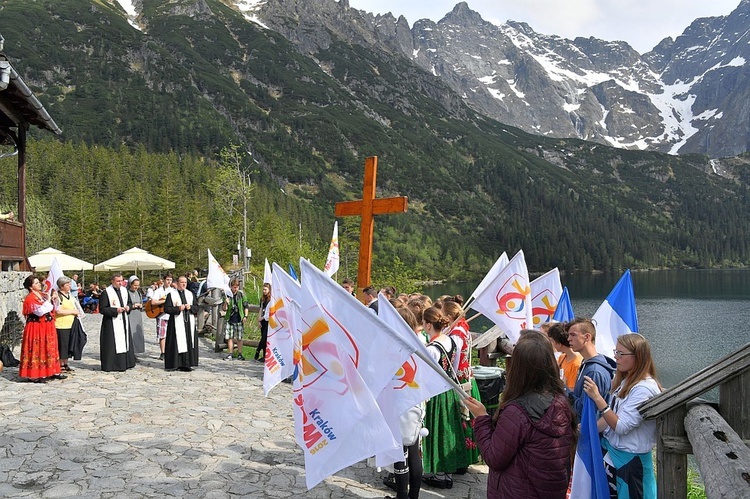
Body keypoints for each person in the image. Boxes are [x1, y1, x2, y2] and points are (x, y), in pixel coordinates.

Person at [465, 330, 576, 498]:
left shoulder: (517, 413)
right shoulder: (561, 402)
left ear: (518, 368)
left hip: (517, 490)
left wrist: (481, 418)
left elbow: (494, 458)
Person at [583, 333, 662, 499]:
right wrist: (587, 429)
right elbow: (612, 416)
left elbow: (620, 426)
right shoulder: (628, 381)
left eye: (621, 353)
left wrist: (598, 399)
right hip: (617, 458)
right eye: (615, 352)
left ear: (638, 357)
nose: (616, 357)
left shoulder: (643, 389)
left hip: (631, 463)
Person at [421, 306, 471, 490]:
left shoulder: (432, 348)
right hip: (448, 390)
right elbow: (454, 366)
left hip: (435, 393)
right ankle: (447, 470)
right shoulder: (451, 341)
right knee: (448, 429)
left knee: (436, 430)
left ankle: (439, 473)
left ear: (427, 325)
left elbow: (426, 375)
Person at [383, 306, 425, 499]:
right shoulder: (419, 345)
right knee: (414, 449)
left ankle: (402, 495)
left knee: (400, 453)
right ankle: (413, 495)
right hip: (416, 400)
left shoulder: (391, 346)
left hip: (397, 402)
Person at [442, 299, 480, 469]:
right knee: (464, 418)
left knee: (459, 418)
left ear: (449, 315)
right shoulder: (463, 328)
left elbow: (454, 358)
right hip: (466, 376)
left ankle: (460, 459)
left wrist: (450, 376)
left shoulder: (456, 333)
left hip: (459, 379)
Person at [566, 318, 616, 419]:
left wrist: (564, 391)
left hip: (588, 431)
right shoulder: (588, 363)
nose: (568, 339)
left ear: (587, 337)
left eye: (573, 335)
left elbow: (584, 410)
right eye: (569, 335)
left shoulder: (594, 371)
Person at [19, 275, 64, 383]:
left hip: (47, 326)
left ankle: (52, 371)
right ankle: (34, 374)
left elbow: (53, 307)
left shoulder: (42, 295)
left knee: (49, 347)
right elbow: (40, 311)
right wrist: (48, 300)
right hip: (36, 326)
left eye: (38, 282)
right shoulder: (30, 298)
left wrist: (54, 299)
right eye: (36, 283)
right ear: (30, 287)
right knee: (37, 347)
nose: (39, 284)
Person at [100, 273, 136, 372]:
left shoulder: (125, 291)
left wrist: (129, 307)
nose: (120, 283)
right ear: (112, 281)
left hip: (124, 319)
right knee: (113, 343)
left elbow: (129, 302)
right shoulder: (106, 292)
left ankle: (126, 362)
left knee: (125, 341)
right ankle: (113, 365)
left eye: (121, 281)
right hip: (112, 322)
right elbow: (102, 309)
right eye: (118, 281)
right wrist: (116, 310)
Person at [163, 275, 199, 371]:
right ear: (177, 283)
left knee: (188, 342)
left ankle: (187, 364)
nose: (184, 284)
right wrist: (178, 308)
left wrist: (190, 307)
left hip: (188, 323)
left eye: (185, 283)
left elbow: (197, 308)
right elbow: (167, 309)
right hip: (176, 323)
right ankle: (175, 363)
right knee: (176, 343)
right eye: (182, 282)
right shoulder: (172, 294)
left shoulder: (190, 294)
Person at [53, 276, 81, 373]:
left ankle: (65, 363)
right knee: (63, 345)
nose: (69, 286)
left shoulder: (70, 296)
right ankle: (61, 364)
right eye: (67, 284)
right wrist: (72, 311)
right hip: (61, 325)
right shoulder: (58, 297)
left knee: (69, 345)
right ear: (61, 286)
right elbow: (58, 311)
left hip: (71, 324)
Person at [546, 322, 583, 390]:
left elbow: (572, 390)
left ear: (559, 343)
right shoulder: (562, 357)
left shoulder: (576, 364)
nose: (551, 344)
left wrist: (562, 385)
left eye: (552, 341)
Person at [222, 278, 250, 361]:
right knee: (229, 337)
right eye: (234, 287)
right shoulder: (228, 295)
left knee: (239, 337)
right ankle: (230, 353)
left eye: (237, 287)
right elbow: (224, 309)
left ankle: (240, 353)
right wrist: (225, 303)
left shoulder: (241, 295)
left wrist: (245, 316)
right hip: (229, 318)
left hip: (239, 318)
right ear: (231, 287)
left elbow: (246, 306)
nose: (235, 289)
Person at [151, 275, 173, 360]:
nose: (169, 281)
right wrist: (165, 301)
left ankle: (170, 351)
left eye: (170, 280)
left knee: (170, 334)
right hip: (162, 315)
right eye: (167, 280)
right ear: (163, 280)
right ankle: (163, 352)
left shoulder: (173, 291)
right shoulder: (158, 291)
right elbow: (153, 302)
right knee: (162, 334)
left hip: (170, 315)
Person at [127, 276, 146, 360]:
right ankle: (130, 353)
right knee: (130, 333)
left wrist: (141, 305)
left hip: (137, 315)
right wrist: (133, 306)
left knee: (136, 334)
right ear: (130, 284)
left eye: (138, 285)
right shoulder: (126, 293)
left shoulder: (138, 293)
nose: (136, 287)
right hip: (130, 316)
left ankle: (135, 352)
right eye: (135, 285)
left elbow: (141, 302)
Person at [255, 282, 270, 362]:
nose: (264, 291)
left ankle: (258, 350)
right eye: (263, 289)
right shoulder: (262, 299)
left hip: (268, 321)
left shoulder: (271, 299)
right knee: (263, 337)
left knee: (265, 338)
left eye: (265, 289)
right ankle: (264, 356)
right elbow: (261, 309)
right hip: (263, 320)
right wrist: (259, 320)